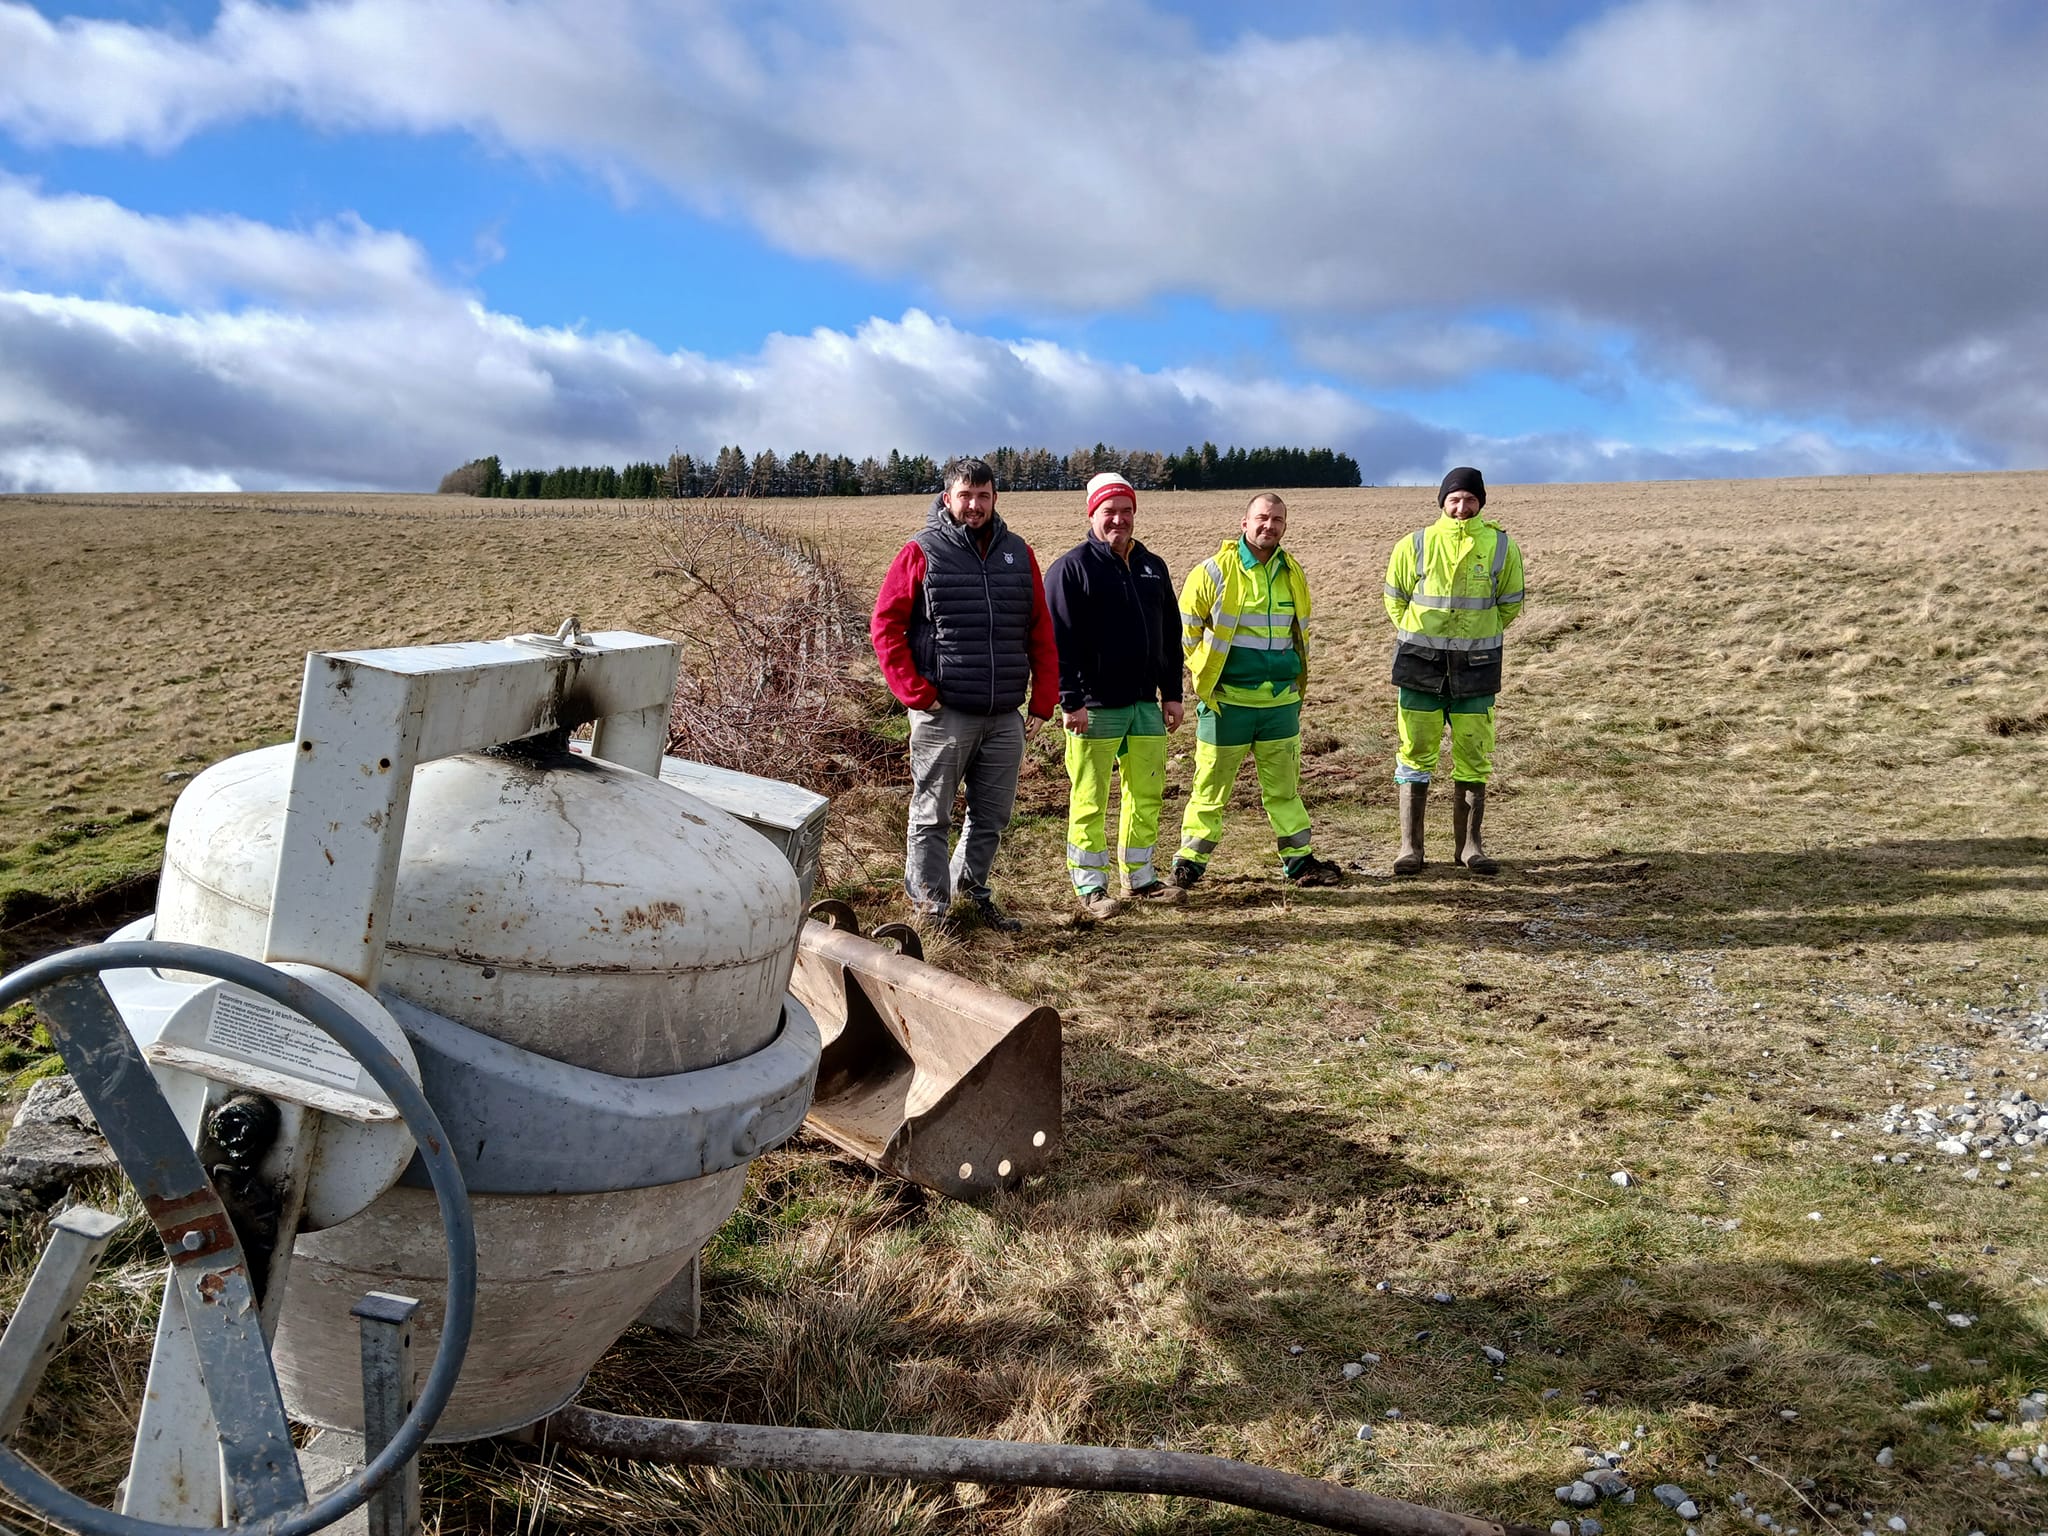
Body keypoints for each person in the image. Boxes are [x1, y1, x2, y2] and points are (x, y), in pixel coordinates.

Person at [871, 456, 1059, 930]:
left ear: (995, 498)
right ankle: (931, 910)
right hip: (945, 712)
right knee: (931, 814)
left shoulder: (1019, 552)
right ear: (947, 498)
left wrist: (1042, 700)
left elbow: (1040, 629)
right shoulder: (921, 551)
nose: (974, 505)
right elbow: (886, 626)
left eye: (983, 496)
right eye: (965, 496)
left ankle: (969, 892)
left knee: (990, 817)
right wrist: (916, 693)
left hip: (1003, 714)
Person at [1170, 492, 1345, 890]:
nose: (1269, 526)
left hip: (1280, 704)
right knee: (1209, 789)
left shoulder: (1293, 572)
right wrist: (1206, 674)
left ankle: (1299, 861)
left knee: (1285, 790)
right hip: (1227, 702)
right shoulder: (1212, 572)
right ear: (1244, 522)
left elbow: (1298, 633)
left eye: (1277, 520)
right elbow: (1186, 632)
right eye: (1262, 518)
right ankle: (1189, 862)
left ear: (1285, 526)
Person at [1045, 472, 1187, 919]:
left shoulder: (1152, 566)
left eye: (1126, 511)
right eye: (1110, 512)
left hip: (1146, 704)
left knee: (1146, 793)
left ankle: (1140, 879)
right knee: (1090, 796)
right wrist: (1071, 701)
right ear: (1093, 515)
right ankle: (1090, 885)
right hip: (1095, 707)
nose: (1119, 520)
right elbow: (1058, 642)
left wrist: (1173, 693)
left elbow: (1170, 633)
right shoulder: (1071, 569)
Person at [1381, 466, 1526, 875]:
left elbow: (1510, 603)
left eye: (1470, 499)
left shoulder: (1501, 546)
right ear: (1442, 502)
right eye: (1454, 499)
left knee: (1474, 754)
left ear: (1481, 502)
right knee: (1414, 753)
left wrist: (1479, 634)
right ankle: (1411, 849)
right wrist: (1420, 637)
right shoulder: (1414, 544)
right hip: (1419, 666)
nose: (1462, 507)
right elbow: (1396, 599)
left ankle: (1470, 848)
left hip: (1476, 667)